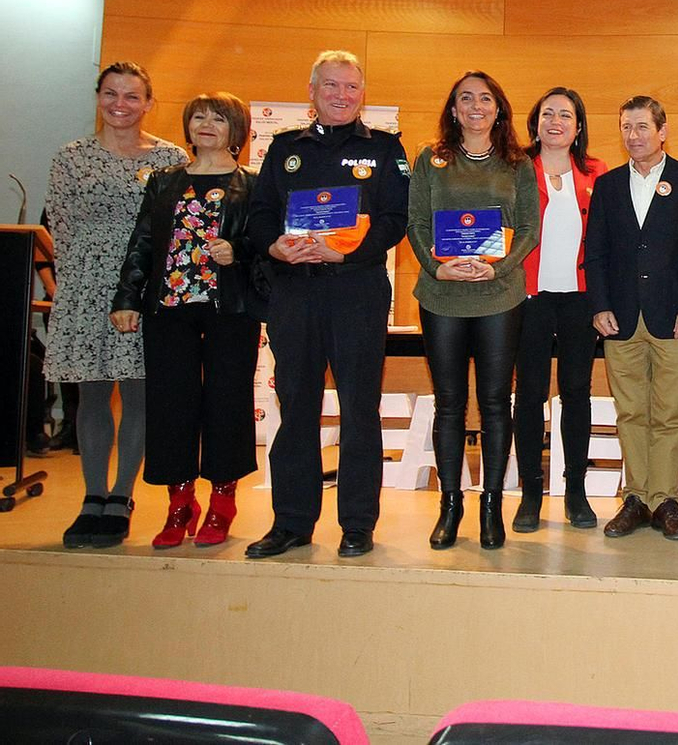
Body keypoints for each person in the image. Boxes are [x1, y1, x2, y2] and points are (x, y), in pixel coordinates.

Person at [244, 50, 409, 560]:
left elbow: (395, 218)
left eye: (352, 86)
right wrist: (274, 246)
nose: (342, 95)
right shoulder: (283, 149)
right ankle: (291, 522)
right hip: (295, 292)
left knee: (360, 408)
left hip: (357, 291)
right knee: (296, 407)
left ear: (363, 94)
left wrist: (347, 251)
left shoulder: (384, 148)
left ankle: (357, 523)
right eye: (331, 85)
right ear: (312, 91)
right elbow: (260, 213)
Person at [111, 92, 263, 548]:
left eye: (219, 118)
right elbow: (142, 242)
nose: (206, 125)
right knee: (170, 403)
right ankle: (179, 503)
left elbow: (266, 241)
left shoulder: (253, 184)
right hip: (169, 309)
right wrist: (127, 298)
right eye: (199, 117)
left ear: (237, 130)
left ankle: (222, 501)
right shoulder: (164, 181)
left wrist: (238, 250)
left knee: (227, 401)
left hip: (229, 309)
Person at [48, 62, 188, 548]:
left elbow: (178, 228)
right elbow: (60, 224)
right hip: (85, 285)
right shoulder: (71, 157)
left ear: (149, 103)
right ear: (98, 97)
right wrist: (78, 283)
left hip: (146, 285)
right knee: (92, 394)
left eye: (132, 96)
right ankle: (93, 496)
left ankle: (121, 496)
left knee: (138, 394)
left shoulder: (170, 157)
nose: (120, 105)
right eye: (111, 94)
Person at [407, 72, 539, 550]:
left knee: (495, 403)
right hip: (441, 297)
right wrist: (436, 268)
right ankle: (450, 505)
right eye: (466, 98)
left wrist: (498, 267)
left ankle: (491, 506)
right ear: (454, 108)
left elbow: (529, 227)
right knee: (448, 403)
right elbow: (416, 221)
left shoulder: (517, 163)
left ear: (498, 109)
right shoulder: (431, 158)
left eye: (485, 99)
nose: (476, 106)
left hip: (499, 297)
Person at [585, 96, 678, 540]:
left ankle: (665, 501)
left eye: (642, 126)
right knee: (630, 412)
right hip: (619, 318)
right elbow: (596, 252)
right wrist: (599, 305)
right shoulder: (607, 185)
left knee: (670, 413)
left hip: (675, 318)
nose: (634, 135)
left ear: (663, 131)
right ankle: (636, 499)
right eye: (626, 127)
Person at [512, 87, 608, 532]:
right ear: (535, 123)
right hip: (528, 298)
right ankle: (531, 493)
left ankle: (575, 491)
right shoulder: (515, 169)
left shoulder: (596, 172)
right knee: (529, 395)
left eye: (565, 115)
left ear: (578, 126)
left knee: (576, 393)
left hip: (579, 300)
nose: (555, 121)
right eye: (547, 113)